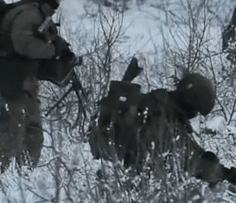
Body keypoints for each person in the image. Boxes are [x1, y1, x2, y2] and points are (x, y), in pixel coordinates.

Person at [0, 0, 72, 175]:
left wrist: (62, 49)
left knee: (32, 132)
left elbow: (40, 39)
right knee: (12, 132)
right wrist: (53, 51)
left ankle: (24, 177)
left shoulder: (36, 12)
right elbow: (24, 44)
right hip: (13, 81)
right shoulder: (29, 13)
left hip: (24, 81)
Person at [91, 70, 236, 186]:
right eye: (196, 111)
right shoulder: (163, 118)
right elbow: (191, 161)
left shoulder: (158, 102)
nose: (194, 115)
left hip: (115, 173)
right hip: (123, 184)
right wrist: (226, 175)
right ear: (190, 105)